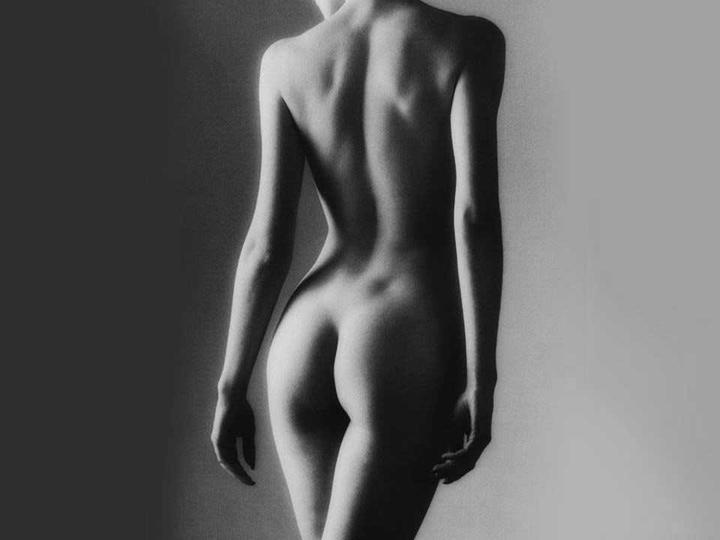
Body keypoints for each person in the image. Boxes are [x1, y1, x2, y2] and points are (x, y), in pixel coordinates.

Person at [211, 0, 505, 537]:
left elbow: (266, 247)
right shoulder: (469, 43)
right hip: (400, 329)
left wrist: (231, 387)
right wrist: (482, 381)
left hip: (304, 333)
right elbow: (474, 218)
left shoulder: (286, 60)